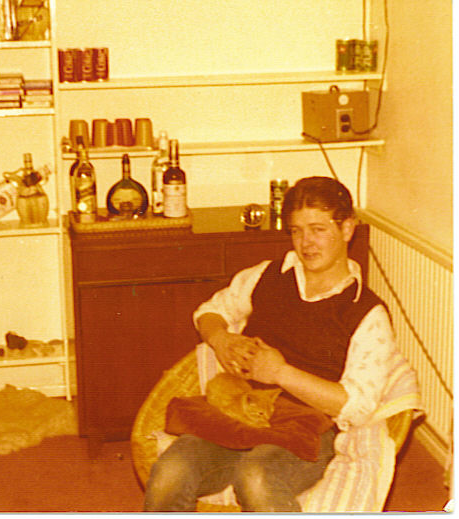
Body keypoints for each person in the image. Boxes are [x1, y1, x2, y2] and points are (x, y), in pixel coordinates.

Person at [144, 176, 414, 512]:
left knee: (255, 475)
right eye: (297, 231)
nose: (306, 243)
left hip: (306, 426)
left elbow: (357, 405)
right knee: (170, 471)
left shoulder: (366, 312)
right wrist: (221, 339)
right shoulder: (269, 275)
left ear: (347, 229)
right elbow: (210, 311)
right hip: (239, 412)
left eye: (318, 229)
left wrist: (280, 373)